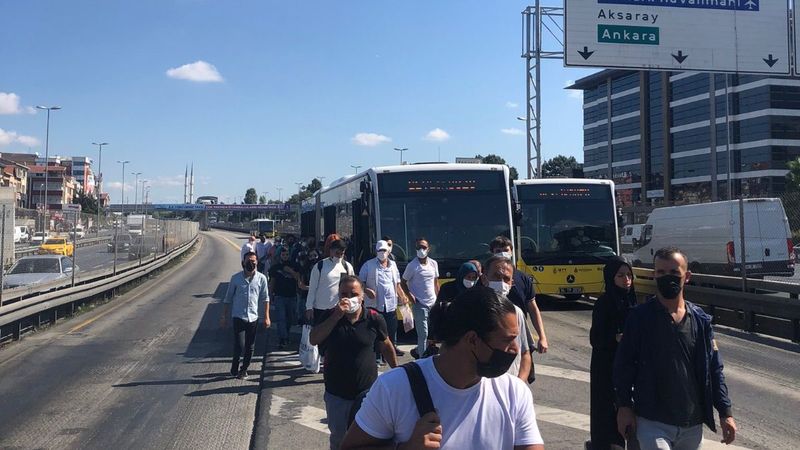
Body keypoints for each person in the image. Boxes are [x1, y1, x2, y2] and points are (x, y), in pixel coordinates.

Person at [340, 287, 544, 450]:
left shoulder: (514, 392)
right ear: (472, 340)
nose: (516, 349)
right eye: (508, 340)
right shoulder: (394, 387)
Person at [614, 247, 737, 450]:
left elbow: (714, 370)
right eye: (661, 272)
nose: (666, 278)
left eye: (673, 272)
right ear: (654, 275)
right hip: (652, 420)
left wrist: (726, 413)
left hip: (691, 423)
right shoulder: (639, 318)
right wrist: (624, 406)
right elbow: (624, 365)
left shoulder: (700, 321)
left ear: (686, 276)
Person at [310, 276, 398, 450]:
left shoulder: (373, 318)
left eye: (354, 294)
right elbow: (314, 339)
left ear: (362, 296)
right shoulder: (329, 316)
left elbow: (386, 345)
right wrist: (336, 316)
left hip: (367, 394)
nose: (349, 297)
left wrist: (398, 371)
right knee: (340, 440)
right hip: (337, 394)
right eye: (344, 294)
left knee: (368, 440)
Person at [588, 257, 637, 450]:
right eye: (621, 275)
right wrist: (615, 338)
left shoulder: (634, 300)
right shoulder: (604, 303)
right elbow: (595, 338)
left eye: (629, 275)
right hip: (606, 366)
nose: (626, 280)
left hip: (630, 366)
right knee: (606, 414)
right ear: (611, 277)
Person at [489, 236, 548, 354]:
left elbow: (533, 308)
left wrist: (542, 337)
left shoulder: (523, 278)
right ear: (492, 254)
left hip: (520, 335)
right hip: (493, 338)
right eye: (498, 251)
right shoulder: (485, 279)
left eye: (505, 250)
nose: (502, 254)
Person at [480, 255, 532, 382]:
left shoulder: (516, 313)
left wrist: (520, 384)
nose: (501, 283)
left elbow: (525, 353)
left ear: (511, 283)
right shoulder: (472, 310)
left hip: (509, 388)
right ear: (484, 279)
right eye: (497, 277)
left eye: (506, 279)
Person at [220, 251, 270, 380]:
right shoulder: (235, 279)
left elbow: (265, 299)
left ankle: (244, 369)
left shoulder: (261, 279)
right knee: (239, 344)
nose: (251, 263)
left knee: (250, 346)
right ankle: (235, 365)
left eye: (253, 261)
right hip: (238, 316)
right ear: (243, 262)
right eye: (248, 261)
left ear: (257, 262)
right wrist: (224, 317)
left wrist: (266, 317)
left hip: (253, 317)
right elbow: (227, 299)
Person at [359, 240, 407, 358]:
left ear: (388, 251)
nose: (382, 253)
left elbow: (397, 284)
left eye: (384, 250)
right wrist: (366, 290)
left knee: (389, 331)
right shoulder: (368, 265)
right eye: (380, 251)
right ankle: (377, 357)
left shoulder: (393, 265)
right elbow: (359, 282)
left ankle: (387, 355)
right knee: (375, 332)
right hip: (374, 305)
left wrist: (403, 296)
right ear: (376, 252)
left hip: (390, 305)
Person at [401, 237, 439, 359]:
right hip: (419, 304)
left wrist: (438, 299)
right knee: (423, 334)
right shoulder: (412, 266)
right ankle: (423, 360)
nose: (421, 250)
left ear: (428, 249)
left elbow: (435, 282)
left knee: (432, 333)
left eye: (423, 247)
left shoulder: (433, 263)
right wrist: (410, 296)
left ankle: (419, 350)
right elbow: (402, 282)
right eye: (418, 247)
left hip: (433, 303)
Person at [429, 261, 479, 344]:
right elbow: (439, 310)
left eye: (473, 278)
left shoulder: (476, 291)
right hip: (451, 330)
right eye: (468, 277)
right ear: (462, 275)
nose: (470, 280)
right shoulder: (448, 288)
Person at [305, 238, 354, 323]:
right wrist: (309, 307)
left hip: (340, 309)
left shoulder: (347, 267)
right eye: (337, 253)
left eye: (341, 254)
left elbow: (352, 287)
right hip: (321, 309)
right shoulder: (320, 266)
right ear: (331, 251)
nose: (338, 256)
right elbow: (312, 288)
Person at [269, 246, 301, 348]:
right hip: (279, 296)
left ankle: (286, 334)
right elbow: (272, 282)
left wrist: (290, 271)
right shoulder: (275, 268)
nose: (285, 256)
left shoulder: (295, 266)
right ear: (280, 256)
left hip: (292, 296)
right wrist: (270, 295)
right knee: (281, 318)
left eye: (287, 255)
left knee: (289, 319)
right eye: (283, 255)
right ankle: (283, 338)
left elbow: (298, 278)